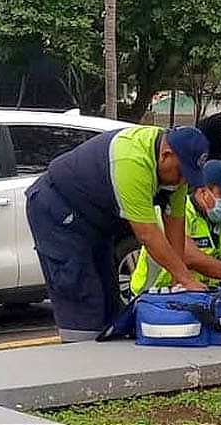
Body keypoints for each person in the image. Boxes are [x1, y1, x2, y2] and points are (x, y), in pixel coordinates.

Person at [25, 125, 210, 342]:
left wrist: (177, 280)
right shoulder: (132, 162)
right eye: (181, 172)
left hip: (95, 221)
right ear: (165, 155)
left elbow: (175, 226)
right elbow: (147, 234)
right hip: (57, 212)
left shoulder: (175, 172)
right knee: (82, 296)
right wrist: (185, 279)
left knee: (110, 304)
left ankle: (110, 365)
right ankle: (81, 363)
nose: (182, 181)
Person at [130, 160, 221, 294]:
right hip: (154, 295)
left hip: (195, 295)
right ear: (203, 192)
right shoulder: (176, 213)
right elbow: (190, 257)